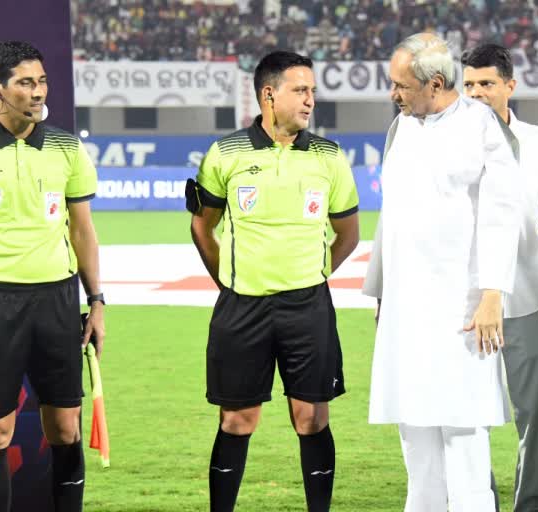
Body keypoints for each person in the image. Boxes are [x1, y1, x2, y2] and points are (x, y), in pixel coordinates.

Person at [187, 50, 359, 512]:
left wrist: (315, 274)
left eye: (312, 92)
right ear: (269, 94)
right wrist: (229, 281)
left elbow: (349, 233)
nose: (310, 101)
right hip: (243, 307)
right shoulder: (225, 154)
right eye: (300, 91)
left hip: (308, 306)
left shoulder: (329, 156)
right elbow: (203, 227)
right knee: (238, 420)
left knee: (311, 418)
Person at [363, 33, 520, 511]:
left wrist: (493, 294)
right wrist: (382, 294)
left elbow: (501, 213)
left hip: (462, 308)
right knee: (414, 430)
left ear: (434, 82)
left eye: (400, 85)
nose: (393, 93)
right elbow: (390, 219)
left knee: (463, 432)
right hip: (406, 309)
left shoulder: (481, 127)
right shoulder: (402, 129)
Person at [0, 41, 105, 512]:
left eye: (41, 82)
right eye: (25, 83)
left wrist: (96, 301)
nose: (37, 92)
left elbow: (83, 230)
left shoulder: (66, 147)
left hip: (56, 302)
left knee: (65, 427)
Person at [462, 43, 538, 512]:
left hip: (525, 299)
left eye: (487, 83)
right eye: (469, 84)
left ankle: (534, 504)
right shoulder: (445, 144)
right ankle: (479, 502)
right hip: (464, 304)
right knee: (468, 413)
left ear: (510, 86)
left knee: (533, 414)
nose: (476, 93)